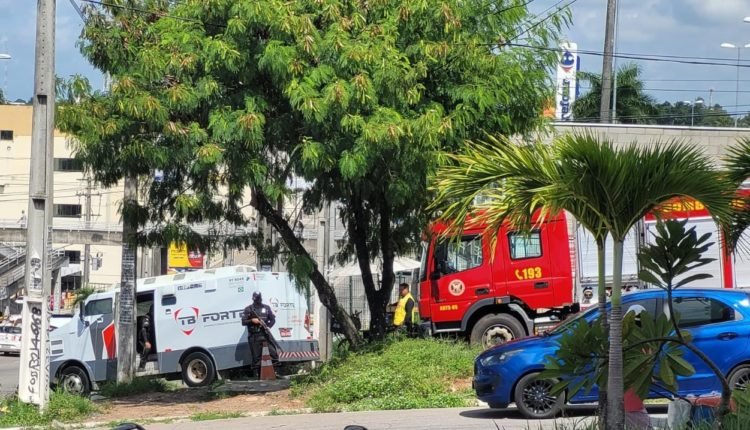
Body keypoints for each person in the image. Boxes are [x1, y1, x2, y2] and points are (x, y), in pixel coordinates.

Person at [241, 291, 278, 377]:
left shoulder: (266, 308)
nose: (258, 300)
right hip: (254, 335)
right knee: (256, 357)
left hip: (265, 334)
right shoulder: (248, 309)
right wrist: (252, 320)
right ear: (253, 298)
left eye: (259, 298)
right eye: (256, 298)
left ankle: (275, 372)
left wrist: (268, 326)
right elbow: (243, 322)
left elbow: (273, 320)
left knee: (273, 352)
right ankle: (257, 375)